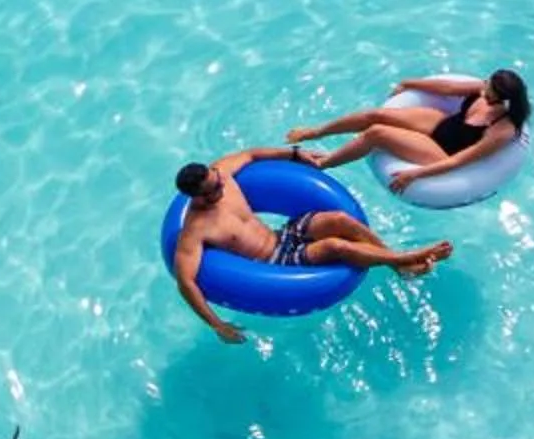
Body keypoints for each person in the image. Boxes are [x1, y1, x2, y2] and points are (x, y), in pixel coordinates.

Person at [169, 145, 452, 342]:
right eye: (214, 189)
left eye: (218, 180)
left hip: (283, 234)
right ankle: (404, 259)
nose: (222, 186)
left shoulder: (222, 174)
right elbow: (186, 283)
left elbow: (251, 154)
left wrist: (295, 154)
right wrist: (217, 325)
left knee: (340, 220)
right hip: (274, 260)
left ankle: (397, 265)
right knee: (336, 247)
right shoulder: (195, 230)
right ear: (197, 197)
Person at [285, 68, 530, 191]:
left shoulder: (502, 129)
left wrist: (415, 174)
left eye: (488, 88)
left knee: (377, 133)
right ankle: (315, 132)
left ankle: (323, 164)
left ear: (501, 98)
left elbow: (460, 160)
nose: (483, 87)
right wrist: (408, 83)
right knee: (375, 115)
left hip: (444, 151)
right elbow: (446, 88)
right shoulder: (482, 89)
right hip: (442, 124)